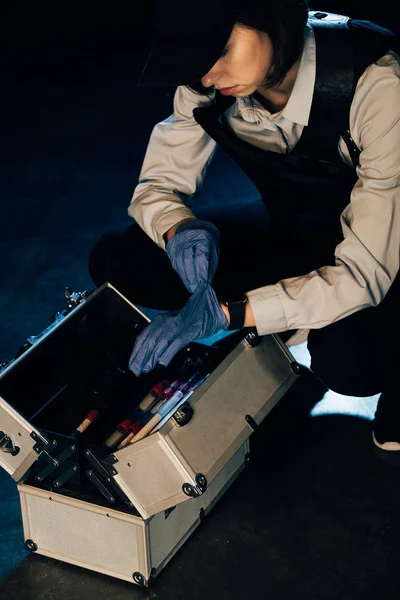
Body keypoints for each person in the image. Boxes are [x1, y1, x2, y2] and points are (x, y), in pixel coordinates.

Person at [88, 0, 400, 451]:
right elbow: (157, 185)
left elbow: (364, 274)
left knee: (351, 362)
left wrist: (231, 312)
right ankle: (298, 308)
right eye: (197, 63)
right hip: (305, 236)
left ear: (269, 14)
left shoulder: (379, 85)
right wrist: (179, 229)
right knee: (122, 260)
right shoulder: (208, 82)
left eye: (220, 52)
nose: (209, 76)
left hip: (386, 255)